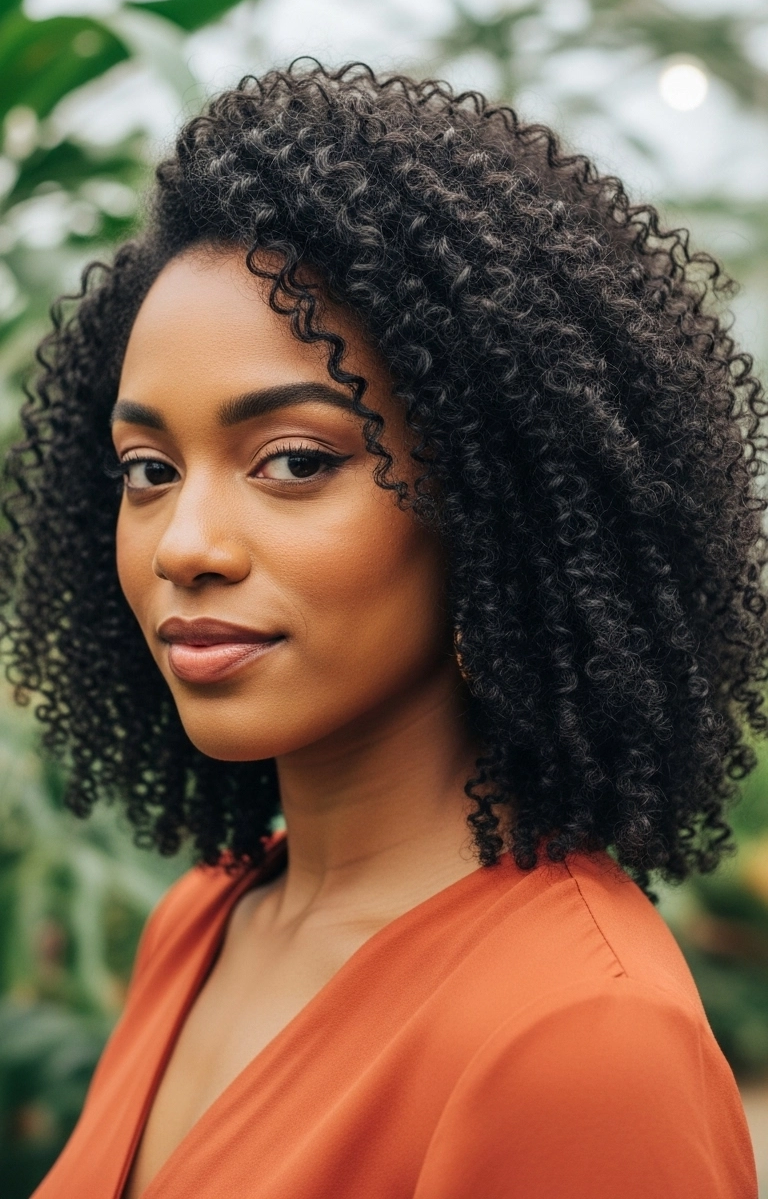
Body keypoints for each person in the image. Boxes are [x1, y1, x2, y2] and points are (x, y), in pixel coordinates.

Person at [3, 63, 762, 1199]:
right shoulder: (208, 916)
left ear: (498, 504)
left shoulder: (579, 1040)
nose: (183, 545)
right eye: (148, 470)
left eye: (294, 461)